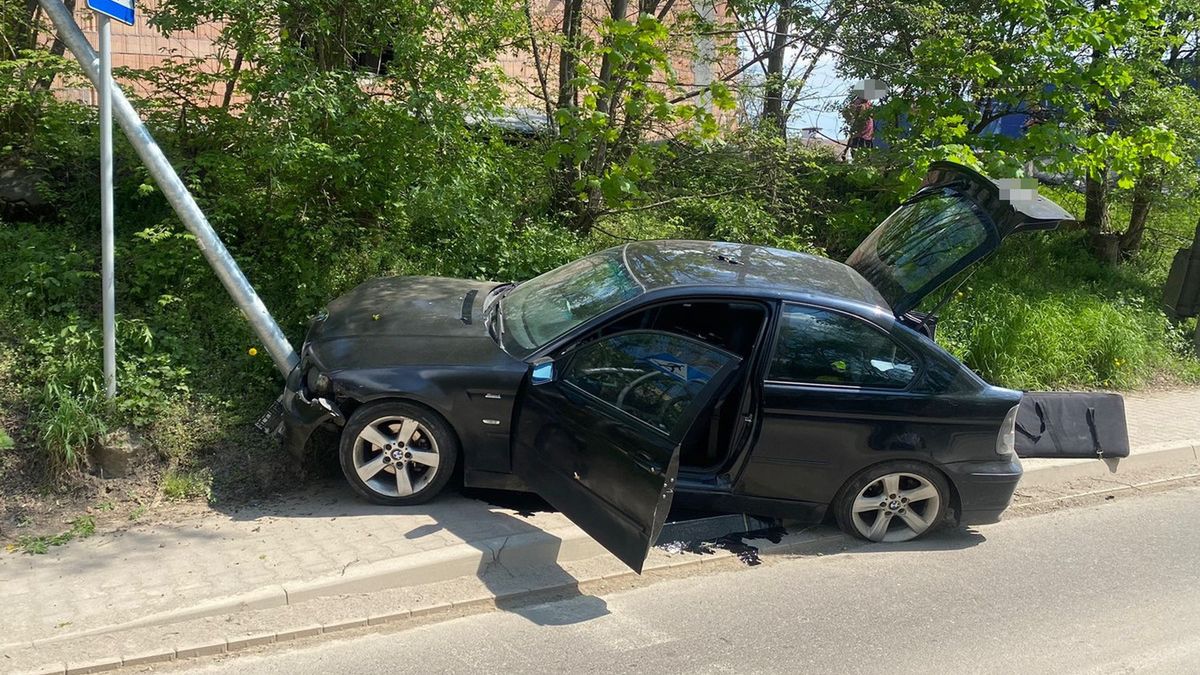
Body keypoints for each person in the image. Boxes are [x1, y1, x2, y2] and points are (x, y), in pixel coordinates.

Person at [841, 95, 874, 162]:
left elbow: (870, 113)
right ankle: (850, 155)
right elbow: (850, 110)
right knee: (855, 141)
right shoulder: (858, 101)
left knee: (866, 142)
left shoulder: (867, 104)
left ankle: (867, 159)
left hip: (866, 126)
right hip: (859, 126)